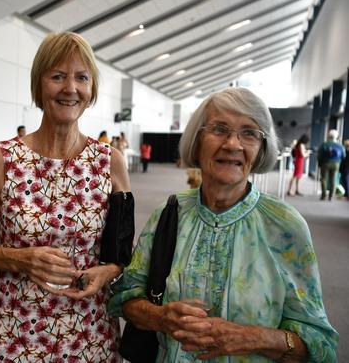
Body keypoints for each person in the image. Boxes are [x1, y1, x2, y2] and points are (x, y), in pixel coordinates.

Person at [108, 88, 338, 362]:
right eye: (219, 129)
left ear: (261, 148)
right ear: (197, 140)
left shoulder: (284, 226)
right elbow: (126, 298)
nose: (232, 143)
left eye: (249, 133)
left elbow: (319, 343)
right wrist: (160, 317)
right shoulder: (169, 214)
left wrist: (252, 337)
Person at [0, 32, 130, 362]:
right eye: (57, 76)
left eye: (82, 77)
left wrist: (109, 271)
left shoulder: (110, 162)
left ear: (91, 88)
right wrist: (19, 259)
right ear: (39, 85)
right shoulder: (2, 159)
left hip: (91, 329)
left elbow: (122, 251)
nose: (70, 88)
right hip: (18, 328)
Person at [317, 129, 346, 201]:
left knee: (324, 179)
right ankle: (331, 196)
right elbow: (343, 155)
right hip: (336, 164)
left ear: (329, 136)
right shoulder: (340, 146)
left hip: (325, 163)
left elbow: (319, 155)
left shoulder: (324, 144)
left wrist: (320, 163)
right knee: (333, 179)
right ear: (337, 136)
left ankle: (323, 195)